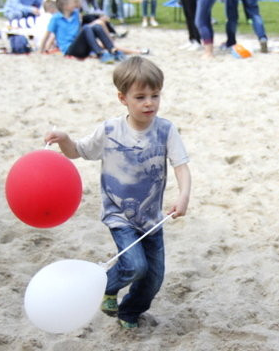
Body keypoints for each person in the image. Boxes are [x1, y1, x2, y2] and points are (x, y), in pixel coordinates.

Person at [44, 56, 191, 329]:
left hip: (151, 218)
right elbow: (77, 151)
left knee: (153, 278)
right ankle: (106, 285)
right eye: (140, 97)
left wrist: (183, 195)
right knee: (135, 266)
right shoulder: (110, 130)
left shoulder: (166, 130)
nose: (150, 103)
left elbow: (181, 166)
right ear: (123, 98)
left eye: (155, 95)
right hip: (119, 214)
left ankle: (129, 312)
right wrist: (64, 139)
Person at [41, 0, 120, 63]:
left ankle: (113, 51)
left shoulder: (75, 14)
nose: (74, 4)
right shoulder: (56, 18)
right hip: (69, 49)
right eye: (71, 3)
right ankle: (100, 53)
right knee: (86, 28)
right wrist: (42, 49)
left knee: (97, 27)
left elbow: (78, 3)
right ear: (65, 6)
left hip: (80, 46)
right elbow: (47, 34)